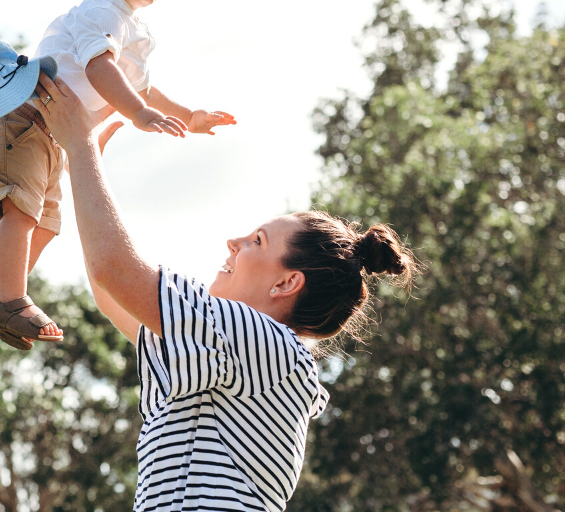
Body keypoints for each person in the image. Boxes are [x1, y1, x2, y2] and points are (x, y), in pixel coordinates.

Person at [30, 73, 419, 511]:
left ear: (286, 283)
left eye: (257, 241)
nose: (233, 242)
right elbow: (110, 291)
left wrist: (80, 147)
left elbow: (114, 271)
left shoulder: (267, 343)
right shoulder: (235, 351)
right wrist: (86, 162)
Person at [0, 0, 236, 349]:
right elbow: (99, 69)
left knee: (47, 223)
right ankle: (12, 299)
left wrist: (189, 116)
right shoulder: (102, 10)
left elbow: (144, 89)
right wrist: (137, 114)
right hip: (24, 118)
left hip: (52, 133)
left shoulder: (131, 27)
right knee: (23, 211)